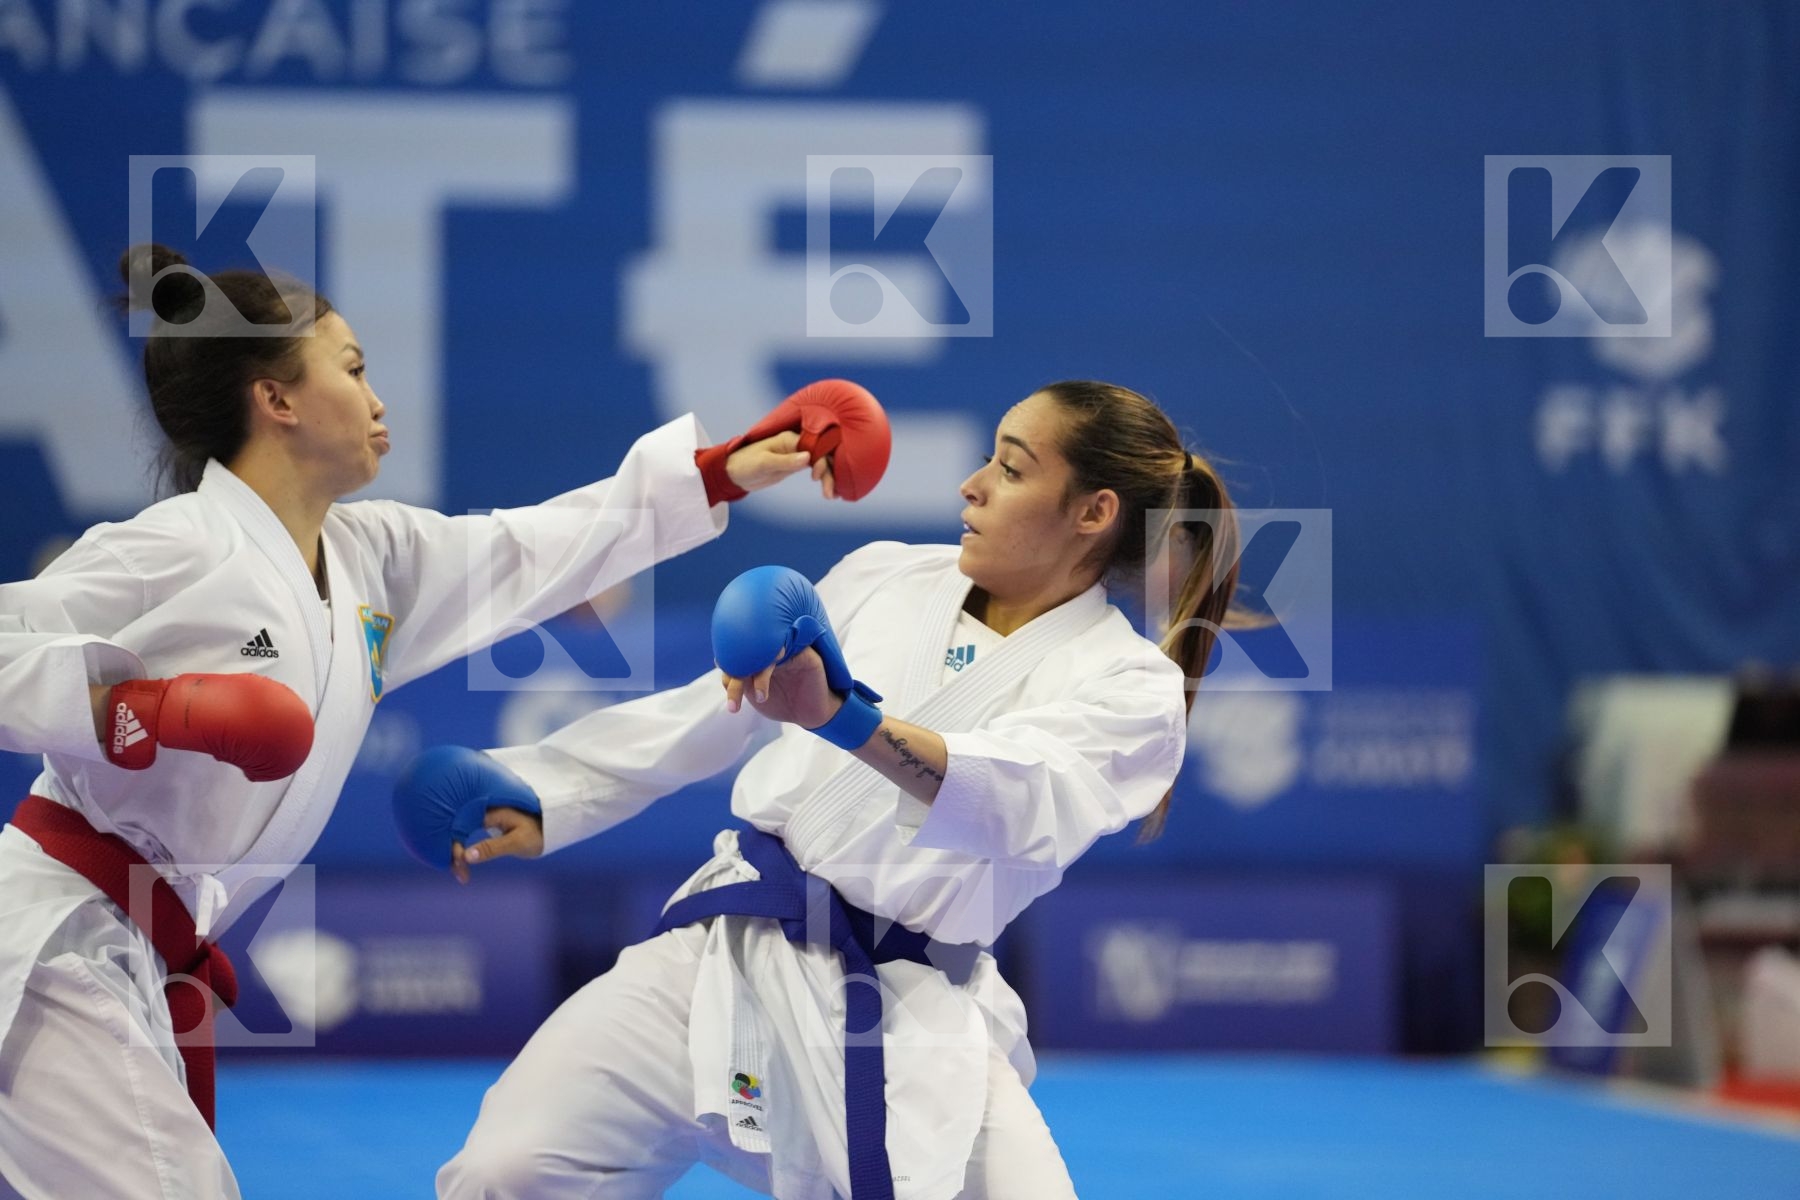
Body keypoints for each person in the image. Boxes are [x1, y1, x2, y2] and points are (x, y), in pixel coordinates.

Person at [0, 244, 874, 1200]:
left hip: (137, 951)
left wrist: (722, 472)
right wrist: (138, 711)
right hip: (55, 936)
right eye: (354, 368)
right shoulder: (173, 549)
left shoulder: (368, 555)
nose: (380, 400)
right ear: (277, 400)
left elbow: (534, 548)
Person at [407, 380, 1249, 1199]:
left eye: (1013, 468)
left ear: (1093, 513)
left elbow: (1013, 799)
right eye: (989, 459)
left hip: (903, 1011)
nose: (973, 483)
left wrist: (843, 719)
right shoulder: (886, 576)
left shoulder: (1130, 688)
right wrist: (549, 791)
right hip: (724, 958)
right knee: (506, 1173)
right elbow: (719, 706)